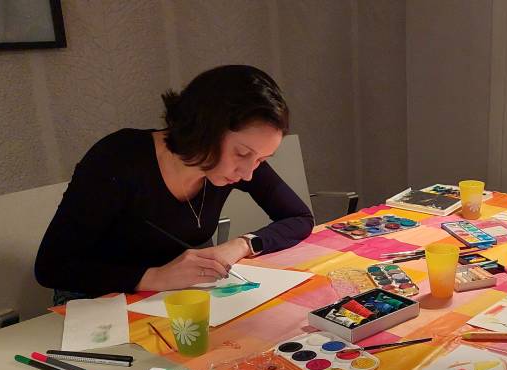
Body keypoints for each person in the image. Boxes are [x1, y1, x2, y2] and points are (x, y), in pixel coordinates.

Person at [35, 65, 314, 304]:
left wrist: (241, 245)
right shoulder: (117, 159)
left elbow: (299, 217)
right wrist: (156, 277)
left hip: (174, 297)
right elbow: (52, 266)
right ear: (205, 129)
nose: (249, 173)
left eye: (261, 159)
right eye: (242, 154)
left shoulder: (236, 165)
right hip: (96, 300)